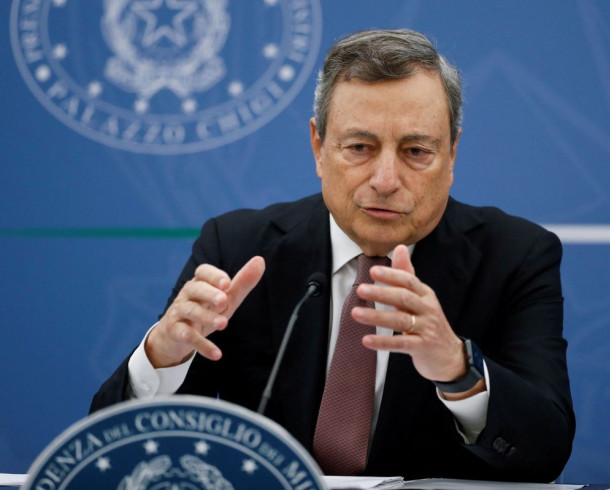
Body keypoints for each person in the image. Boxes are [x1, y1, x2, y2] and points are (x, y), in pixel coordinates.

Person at [91, 29, 575, 482]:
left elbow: (546, 452)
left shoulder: (514, 256)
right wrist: (161, 357)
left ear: (451, 157)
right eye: (360, 147)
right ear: (319, 147)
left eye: (416, 151)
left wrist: (458, 371)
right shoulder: (240, 248)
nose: (385, 179)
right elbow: (119, 453)